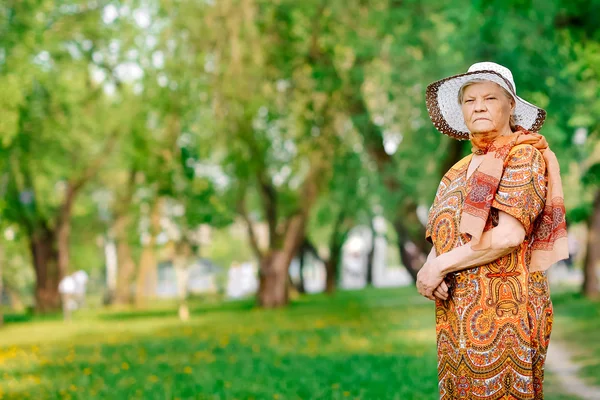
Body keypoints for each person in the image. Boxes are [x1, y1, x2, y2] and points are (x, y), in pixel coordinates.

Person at [417, 62, 569, 399]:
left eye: (490, 98)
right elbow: (443, 236)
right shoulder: (456, 172)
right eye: (470, 100)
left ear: (511, 105)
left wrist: (439, 266)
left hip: (505, 319)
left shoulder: (524, 155)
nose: (479, 106)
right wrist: (429, 270)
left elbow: (509, 236)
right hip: (455, 320)